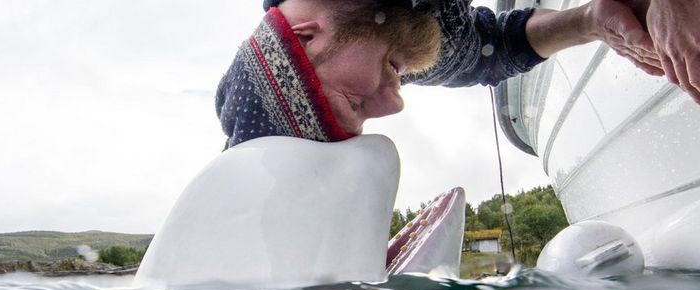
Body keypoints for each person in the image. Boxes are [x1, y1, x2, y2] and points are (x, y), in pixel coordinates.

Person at [216, 0, 693, 149]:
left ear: (304, 37)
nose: (394, 103)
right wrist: (590, 21)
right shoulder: (395, 43)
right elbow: (495, 49)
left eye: (354, 102)